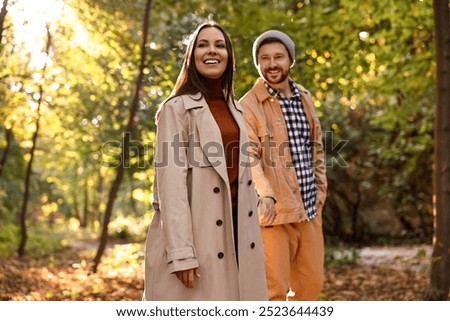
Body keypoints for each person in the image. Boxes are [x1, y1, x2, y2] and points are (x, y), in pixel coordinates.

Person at [143, 21, 268, 301]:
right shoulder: (175, 109)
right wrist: (181, 253)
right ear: (192, 56)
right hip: (199, 241)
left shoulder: (237, 111)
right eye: (203, 45)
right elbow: (170, 187)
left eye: (219, 45)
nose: (212, 51)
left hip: (240, 239)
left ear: (229, 56)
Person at [239, 30, 327, 301]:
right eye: (264, 58)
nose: (272, 63)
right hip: (273, 215)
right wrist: (266, 197)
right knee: (272, 293)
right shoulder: (248, 105)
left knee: (311, 288)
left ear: (291, 60)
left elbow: (317, 146)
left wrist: (321, 191)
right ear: (257, 64)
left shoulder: (304, 96)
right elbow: (249, 156)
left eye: (278, 56)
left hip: (310, 209)